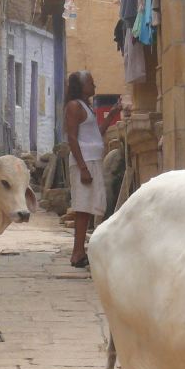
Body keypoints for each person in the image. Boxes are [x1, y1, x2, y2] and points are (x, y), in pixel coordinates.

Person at [64, 71, 120, 269]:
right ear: (81, 86)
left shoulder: (86, 107)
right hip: (85, 162)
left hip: (92, 160)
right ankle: (77, 253)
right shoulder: (74, 106)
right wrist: (82, 167)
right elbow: (72, 137)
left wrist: (112, 114)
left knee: (88, 208)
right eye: (90, 83)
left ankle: (80, 251)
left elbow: (96, 134)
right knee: (82, 208)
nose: (94, 86)